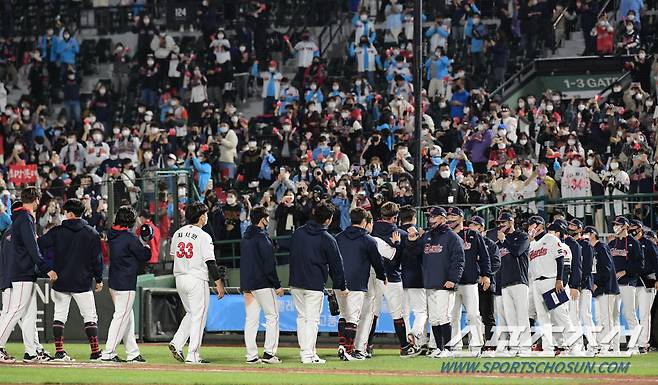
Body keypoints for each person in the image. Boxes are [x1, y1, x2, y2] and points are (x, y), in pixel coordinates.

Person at [37, 198, 103, 361]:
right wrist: (99, 278)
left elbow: (38, 245)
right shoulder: (92, 233)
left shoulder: (57, 231)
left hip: (61, 281)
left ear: (70, 214)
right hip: (82, 282)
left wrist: (47, 268)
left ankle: (59, 351)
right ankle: (95, 352)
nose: (63, 215)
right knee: (90, 316)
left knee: (59, 316)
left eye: (65, 212)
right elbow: (97, 259)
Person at [0, 187, 57, 364]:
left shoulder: (12, 224)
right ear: (36, 200)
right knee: (16, 311)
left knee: (28, 314)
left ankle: (32, 351)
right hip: (22, 273)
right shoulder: (25, 218)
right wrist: (45, 267)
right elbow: (33, 248)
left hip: (11, 273)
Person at [288, 200, 347, 364]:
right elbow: (337, 266)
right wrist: (341, 286)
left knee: (302, 318)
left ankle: (309, 352)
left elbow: (291, 254)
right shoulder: (327, 238)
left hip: (296, 281)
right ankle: (307, 354)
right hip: (314, 284)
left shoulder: (299, 232)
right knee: (312, 320)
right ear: (328, 219)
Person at [169, 202, 225, 364]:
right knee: (199, 317)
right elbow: (210, 262)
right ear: (201, 217)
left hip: (180, 278)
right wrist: (219, 283)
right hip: (196, 279)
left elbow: (173, 256)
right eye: (205, 214)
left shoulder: (178, 233)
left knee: (191, 314)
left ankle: (177, 342)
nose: (206, 217)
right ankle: (193, 355)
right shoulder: (204, 236)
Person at [406, 207, 465, 358]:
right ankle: (439, 348)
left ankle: (448, 349)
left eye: (434, 217)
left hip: (445, 284)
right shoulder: (427, 237)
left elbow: (459, 260)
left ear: (443, 218)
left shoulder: (452, 237)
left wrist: (453, 279)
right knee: (434, 319)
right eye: (429, 216)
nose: (430, 219)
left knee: (444, 317)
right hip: (430, 282)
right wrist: (412, 242)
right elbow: (414, 255)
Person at [335, 208, 387, 361]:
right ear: (364, 222)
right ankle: (349, 351)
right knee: (353, 318)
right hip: (357, 283)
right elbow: (378, 262)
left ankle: (342, 346)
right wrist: (382, 275)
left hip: (339, 282)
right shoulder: (368, 240)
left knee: (343, 315)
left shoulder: (338, 237)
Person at [101, 206, 151, 362]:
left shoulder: (112, 233)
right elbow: (144, 255)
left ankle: (133, 353)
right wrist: (146, 242)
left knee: (127, 318)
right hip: (125, 284)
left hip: (114, 282)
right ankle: (108, 352)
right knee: (121, 317)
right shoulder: (129, 238)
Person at [370, 202, 419, 357]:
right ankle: (404, 347)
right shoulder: (401, 234)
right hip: (392, 277)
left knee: (372, 314)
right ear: (395, 217)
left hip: (373, 276)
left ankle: (366, 346)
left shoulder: (370, 231)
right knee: (398, 314)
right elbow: (409, 257)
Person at [240, 207, 283, 364]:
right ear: (262, 219)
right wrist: (277, 285)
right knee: (272, 316)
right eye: (266, 218)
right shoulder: (262, 238)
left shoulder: (245, 237)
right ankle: (269, 353)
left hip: (248, 285)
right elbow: (269, 265)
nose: (268, 221)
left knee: (251, 319)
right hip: (263, 284)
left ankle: (251, 355)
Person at [446, 207, 490, 356]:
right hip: (451, 283)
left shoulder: (472, 234)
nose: (450, 218)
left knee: (473, 314)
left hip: (469, 282)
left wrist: (486, 275)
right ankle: (456, 345)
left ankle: (477, 344)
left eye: (453, 215)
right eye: (449, 216)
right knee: (453, 316)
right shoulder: (446, 236)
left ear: (461, 218)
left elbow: (484, 256)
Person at [496, 211, 531, 355]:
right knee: (510, 318)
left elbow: (517, 251)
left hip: (519, 281)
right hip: (505, 283)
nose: (501, 225)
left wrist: (505, 240)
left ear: (511, 222)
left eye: (503, 222)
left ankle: (525, 347)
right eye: (499, 223)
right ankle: (515, 346)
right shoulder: (500, 241)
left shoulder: (522, 236)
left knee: (522, 315)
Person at [582, 226, 621, 354]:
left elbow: (607, 267)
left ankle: (608, 345)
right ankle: (611, 346)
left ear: (593, 234)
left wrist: (597, 282)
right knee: (603, 318)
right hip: (601, 288)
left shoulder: (602, 247)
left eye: (586, 233)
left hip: (607, 288)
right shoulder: (593, 248)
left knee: (607, 318)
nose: (584, 235)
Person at [608, 216, 644, 353]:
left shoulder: (634, 243)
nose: (615, 226)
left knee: (629, 313)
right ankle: (615, 346)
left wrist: (625, 271)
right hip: (614, 285)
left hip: (628, 283)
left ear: (625, 226)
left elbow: (640, 265)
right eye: (614, 224)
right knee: (613, 315)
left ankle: (636, 345)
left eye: (618, 224)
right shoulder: (612, 244)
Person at [468, 216, 500, 353]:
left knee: (488, 316)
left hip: (486, 284)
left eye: (474, 225)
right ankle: (475, 344)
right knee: (473, 315)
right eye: (470, 225)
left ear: (481, 228)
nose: (471, 227)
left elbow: (496, 263)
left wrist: (484, 276)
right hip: (471, 284)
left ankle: (491, 345)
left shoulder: (490, 244)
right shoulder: (466, 243)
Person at [629, 220, 657, 354]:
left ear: (639, 228)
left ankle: (643, 343)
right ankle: (634, 340)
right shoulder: (628, 243)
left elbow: (657, 261)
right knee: (630, 313)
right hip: (633, 282)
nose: (631, 229)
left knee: (644, 315)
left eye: (634, 227)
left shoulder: (648, 243)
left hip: (646, 282)